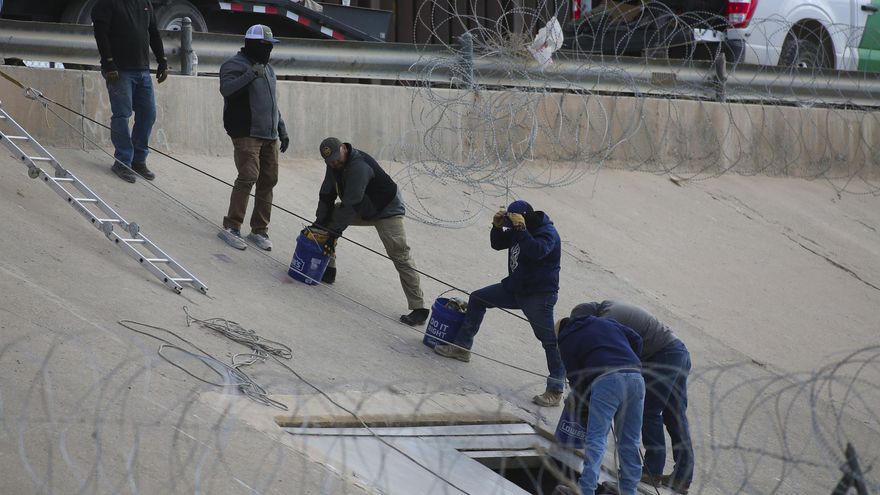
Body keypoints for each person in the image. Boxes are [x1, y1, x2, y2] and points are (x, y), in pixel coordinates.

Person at [433, 200, 566, 407]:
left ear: (525, 218)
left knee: (548, 340)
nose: (512, 225)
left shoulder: (547, 233)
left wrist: (520, 229)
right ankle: (462, 347)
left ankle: (556, 390)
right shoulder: (518, 227)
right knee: (478, 298)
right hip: (515, 287)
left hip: (538, 296)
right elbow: (498, 244)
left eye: (516, 221)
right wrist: (497, 227)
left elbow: (536, 251)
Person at [571, 300, 694, 494]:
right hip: (678, 351)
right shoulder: (609, 308)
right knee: (675, 415)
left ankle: (652, 470)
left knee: (649, 412)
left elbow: (617, 351)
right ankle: (683, 477)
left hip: (663, 355)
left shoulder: (605, 321)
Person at [310, 137, 428, 325]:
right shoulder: (334, 164)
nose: (334, 163)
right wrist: (319, 222)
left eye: (336, 158)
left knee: (400, 254)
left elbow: (350, 204)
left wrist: (334, 234)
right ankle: (329, 270)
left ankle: (419, 308)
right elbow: (327, 193)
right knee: (326, 221)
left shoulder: (359, 166)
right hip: (363, 206)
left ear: (343, 148)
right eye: (330, 161)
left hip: (387, 210)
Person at [216, 25, 290, 251]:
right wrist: (250, 74)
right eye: (266, 46)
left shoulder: (268, 69)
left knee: (268, 180)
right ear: (253, 45)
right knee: (248, 176)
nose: (269, 51)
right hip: (246, 133)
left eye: (271, 46)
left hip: (270, 135)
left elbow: (272, 105)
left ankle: (259, 230)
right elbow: (226, 90)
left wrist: (282, 129)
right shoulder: (233, 65)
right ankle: (232, 226)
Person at [555, 314, 645, 495]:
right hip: (636, 377)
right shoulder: (604, 321)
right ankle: (629, 490)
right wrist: (629, 358)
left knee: (596, 439)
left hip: (606, 382)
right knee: (630, 440)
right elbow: (636, 339)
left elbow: (576, 379)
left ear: (560, 333)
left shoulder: (566, 340)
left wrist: (584, 402)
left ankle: (586, 489)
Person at [91, 0, 168, 183]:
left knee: (148, 114)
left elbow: (154, 33)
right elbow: (100, 34)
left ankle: (138, 161)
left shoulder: (145, 3)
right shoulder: (106, 4)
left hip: (142, 70)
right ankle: (122, 161)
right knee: (122, 114)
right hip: (119, 70)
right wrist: (108, 62)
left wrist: (162, 60)